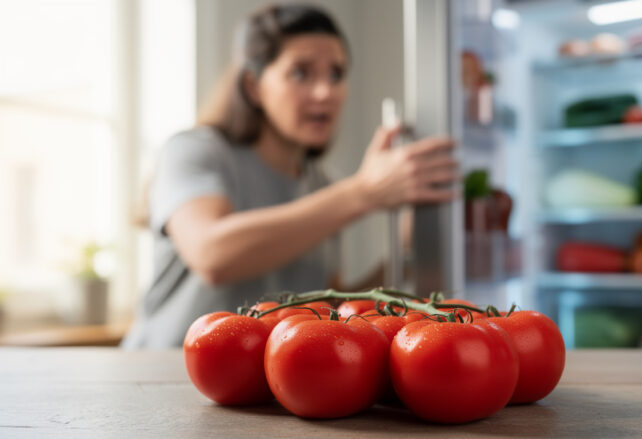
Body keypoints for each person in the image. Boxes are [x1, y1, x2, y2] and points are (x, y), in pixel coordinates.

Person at [121, 4, 457, 349]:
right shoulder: (194, 150)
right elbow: (212, 255)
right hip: (158, 375)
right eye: (301, 73)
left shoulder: (323, 186)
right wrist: (362, 193)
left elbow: (329, 306)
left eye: (337, 74)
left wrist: (406, 251)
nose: (325, 92)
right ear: (253, 87)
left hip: (251, 388)